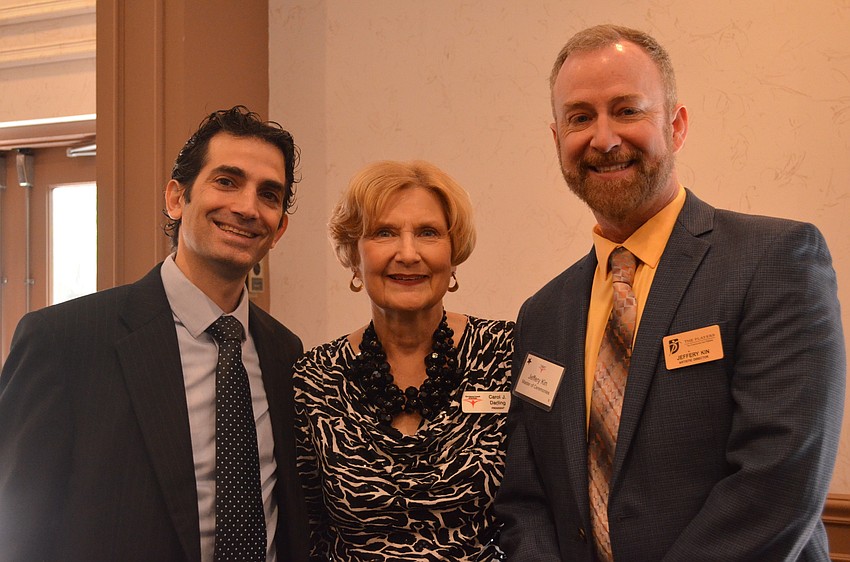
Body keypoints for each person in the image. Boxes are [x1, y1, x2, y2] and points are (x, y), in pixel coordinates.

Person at [494, 24, 845, 561]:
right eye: (580, 117)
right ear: (557, 138)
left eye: (628, 110)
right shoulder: (543, 314)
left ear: (676, 126)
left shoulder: (774, 260)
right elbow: (526, 498)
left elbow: (778, 481)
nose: (604, 138)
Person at [0, 105, 309, 562]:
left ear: (278, 228)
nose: (246, 207)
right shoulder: (62, 342)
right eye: (226, 181)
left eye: (268, 195)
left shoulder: (286, 353)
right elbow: (18, 533)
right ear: (176, 198)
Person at [293, 160, 513, 560]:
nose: (408, 253)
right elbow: (308, 532)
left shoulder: (505, 354)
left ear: (453, 252)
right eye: (384, 233)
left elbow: (542, 507)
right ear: (353, 256)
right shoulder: (314, 378)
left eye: (428, 233)